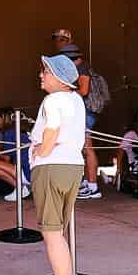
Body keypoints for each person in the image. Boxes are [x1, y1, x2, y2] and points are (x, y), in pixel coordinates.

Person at [29, 53, 87, 275]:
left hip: (51, 167)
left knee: (51, 232)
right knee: (59, 230)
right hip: (73, 166)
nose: (41, 75)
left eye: (46, 71)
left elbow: (51, 128)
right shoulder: (76, 100)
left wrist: (42, 149)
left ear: (60, 78)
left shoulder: (52, 100)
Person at [52, 30, 103, 200]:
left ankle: (93, 185)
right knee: (83, 148)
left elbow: (84, 90)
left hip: (86, 112)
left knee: (87, 148)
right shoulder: (81, 66)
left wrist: (67, 94)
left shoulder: (81, 68)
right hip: (84, 112)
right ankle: (88, 184)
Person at [0, 106, 26, 199]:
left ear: (4, 120)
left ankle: (20, 188)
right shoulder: (21, 130)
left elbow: (6, 159)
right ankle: (22, 187)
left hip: (25, 171)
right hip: (32, 170)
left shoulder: (9, 133)